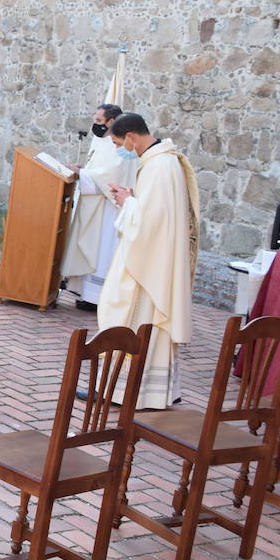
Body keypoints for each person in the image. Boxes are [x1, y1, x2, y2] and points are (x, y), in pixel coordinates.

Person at [98, 113, 199, 410]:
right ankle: (145, 392)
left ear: (131, 136)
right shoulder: (160, 161)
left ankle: (126, 391)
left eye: (119, 143)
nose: (120, 150)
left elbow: (150, 223)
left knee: (136, 319)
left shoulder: (160, 166)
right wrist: (131, 198)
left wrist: (126, 202)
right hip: (154, 258)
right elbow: (155, 212)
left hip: (150, 265)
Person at [63, 103, 134, 311]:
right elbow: (99, 169)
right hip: (95, 206)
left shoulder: (122, 146)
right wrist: (83, 169)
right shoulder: (104, 141)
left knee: (102, 251)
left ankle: (96, 298)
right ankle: (83, 292)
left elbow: (111, 176)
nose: (95, 124)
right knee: (92, 247)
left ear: (111, 122)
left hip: (108, 209)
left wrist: (82, 174)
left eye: (98, 121)